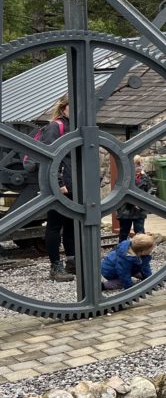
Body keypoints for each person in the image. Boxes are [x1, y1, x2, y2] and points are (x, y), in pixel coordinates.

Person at [38, 95, 76, 282]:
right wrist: (59, 183)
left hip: (75, 185)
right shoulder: (56, 126)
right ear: (64, 108)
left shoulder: (76, 127)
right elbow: (49, 157)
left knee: (71, 224)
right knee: (54, 226)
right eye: (72, 105)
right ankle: (55, 267)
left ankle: (72, 261)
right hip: (60, 186)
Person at [117, 155, 153, 241]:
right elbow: (122, 192)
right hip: (126, 209)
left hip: (139, 210)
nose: (139, 167)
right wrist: (133, 203)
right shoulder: (124, 177)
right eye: (137, 165)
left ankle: (141, 251)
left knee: (140, 232)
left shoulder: (144, 178)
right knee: (124, 232)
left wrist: (142, 203)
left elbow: (150, 190)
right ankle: (122, 251)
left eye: (140, 165)